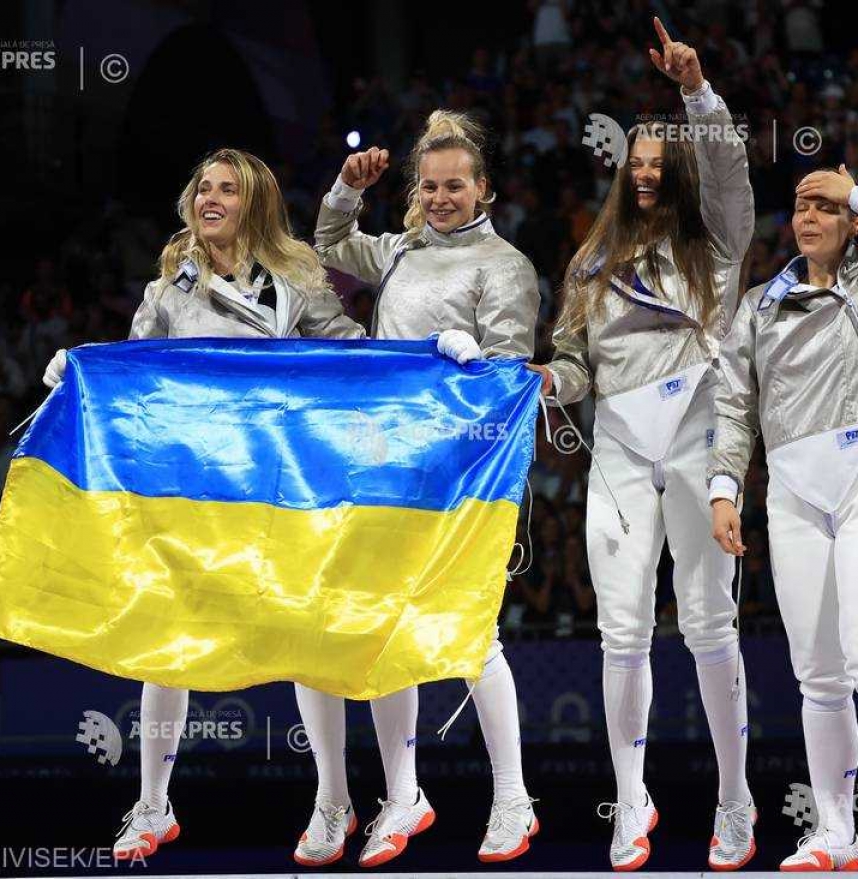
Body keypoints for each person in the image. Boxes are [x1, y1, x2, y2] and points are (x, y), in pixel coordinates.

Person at [40, 148, 363, 860]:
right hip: (192, 489)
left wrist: (432, 360)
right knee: (167, 642)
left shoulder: (296, 275)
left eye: (227, 189)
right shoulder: (169, 286)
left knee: (306, 640)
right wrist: (82, 366)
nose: (210, 198)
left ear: (253, 203)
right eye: (203, 188)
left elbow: (352, 352)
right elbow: (134, 369)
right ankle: (153, 805)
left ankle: (334, 800)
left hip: (279, 485)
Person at [529, 17, 756, 872]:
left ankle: (734, 799)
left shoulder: (718, 244)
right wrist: (553, 379)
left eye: (663, 164)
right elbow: (577, 364)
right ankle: (632, 798)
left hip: (700, 442)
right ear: (626, 173)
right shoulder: (591, 263)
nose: (651, 174)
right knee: (619, 635)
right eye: (640, 164)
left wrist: (696, 92)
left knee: (706, 626)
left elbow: (731, 171)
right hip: (620, 452)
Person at [299, 108, 540, 867]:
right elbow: (326, 249)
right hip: (381, 463)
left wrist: (468, 364)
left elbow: (511, 382)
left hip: (462, 473)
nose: (440, 198)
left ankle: (513, 798)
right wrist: (344, 187)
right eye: (429, 186)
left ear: (482, 190)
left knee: (472, 632)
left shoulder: (504, 267)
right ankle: (404, 793)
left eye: (454, 186)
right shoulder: (400, 250)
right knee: (377, 627)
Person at [709, 165, 858, 870]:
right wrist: (725, 487)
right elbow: (732, 406)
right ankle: (836, 832)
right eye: (801, 205)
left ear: (854, 223)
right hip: (791, 495)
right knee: (818, 675)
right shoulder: (760, 305)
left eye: (827, 206)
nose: (810, 215)